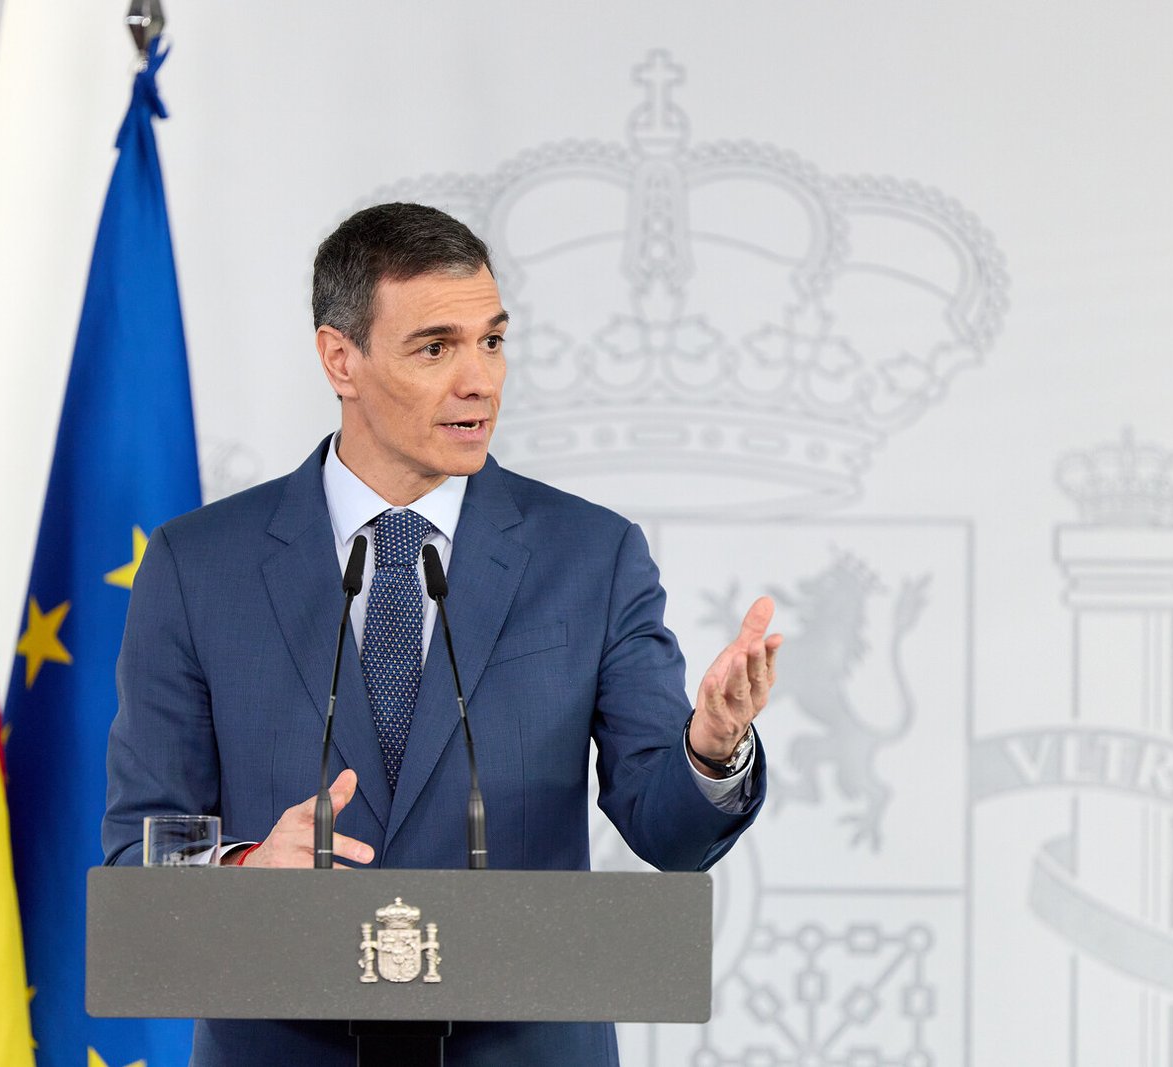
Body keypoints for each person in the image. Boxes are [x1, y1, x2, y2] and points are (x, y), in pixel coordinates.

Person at [103, 202, 782, 1065]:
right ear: (340, 359)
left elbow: (670, 832)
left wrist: (711, 750)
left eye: (492, 341)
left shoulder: (593, 555)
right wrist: (241, 875)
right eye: (435, 348)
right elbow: (142, 848)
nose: (480, 381)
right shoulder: (198, 565)